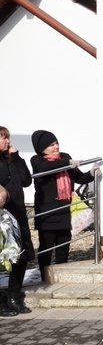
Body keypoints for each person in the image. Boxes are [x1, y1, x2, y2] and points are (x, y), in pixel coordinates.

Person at [30, 130, 98, 283]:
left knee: (63, 245)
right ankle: (45, 277)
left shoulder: (65, 157)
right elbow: (44, 168)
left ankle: (62, 275)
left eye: (56, 143)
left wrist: (91, 173)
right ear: (42, 149)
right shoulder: (37, 160)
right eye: (51, 145)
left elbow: (79, 177)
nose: (56, 147)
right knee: (46, 247)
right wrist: (66, 163)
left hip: (64, 209)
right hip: (47, 212)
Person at [0, 127, 34, 315]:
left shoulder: (12, 159)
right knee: (2, 257)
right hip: (2, 218)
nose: (7, 142)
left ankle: (14, 295)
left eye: (8, 138)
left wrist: (18, 158)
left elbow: (26, 180)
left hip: (18, 214)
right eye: (3, 138)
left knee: (21, 255)